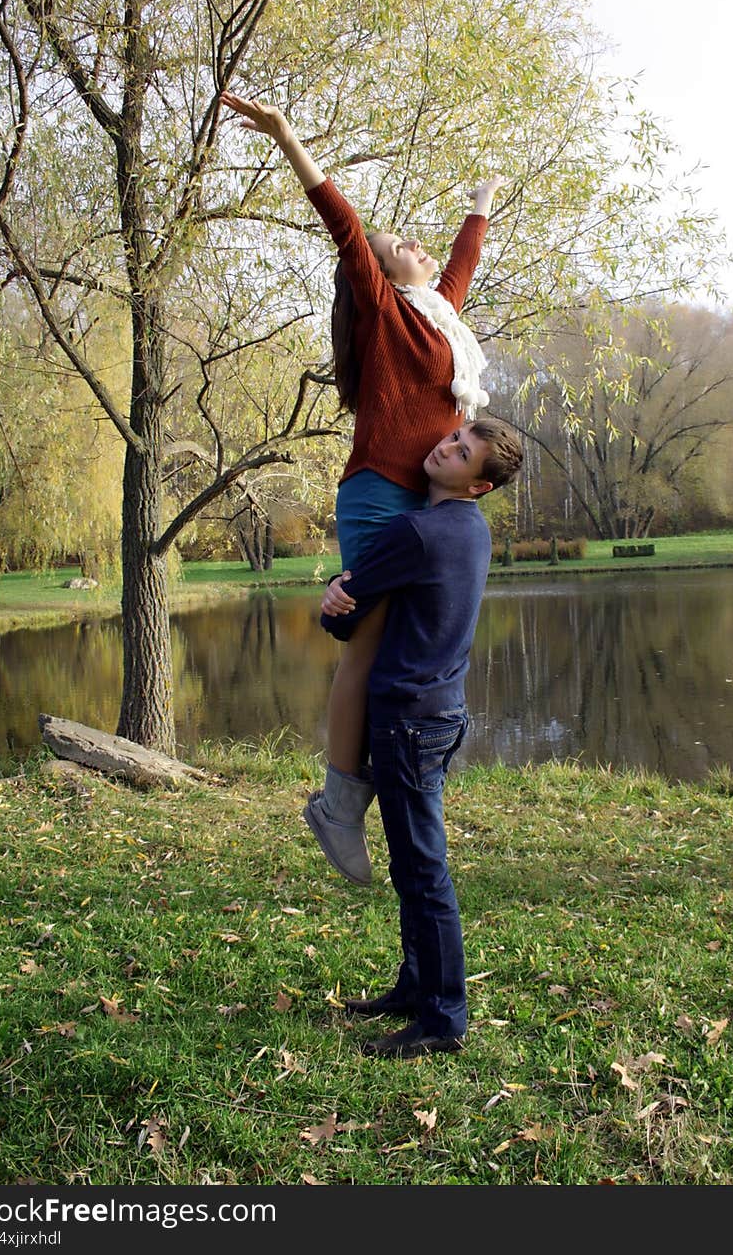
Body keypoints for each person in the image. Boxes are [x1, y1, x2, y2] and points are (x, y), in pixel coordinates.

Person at [219, 90, 504, 888]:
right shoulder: (383, 312)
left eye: (415, 241)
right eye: (399, 245)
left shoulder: (442, 316)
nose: (412, 245)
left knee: (415, 652)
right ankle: (340, 802)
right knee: (369, 648)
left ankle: (392, 785)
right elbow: (342, 221)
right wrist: (286, 138)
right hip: (381, 493)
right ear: (381, 274)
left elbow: (463, 267)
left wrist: (479, 207)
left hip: (431, 502)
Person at [319, 416, 523, 1058]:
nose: (445, 447)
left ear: (478, 484)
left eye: (463, 452)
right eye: (453, 438)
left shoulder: (417, 531)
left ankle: (443, 1018)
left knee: (424, 869)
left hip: (408, 718)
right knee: (414, 866)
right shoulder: (471, 532)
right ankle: (415, 987)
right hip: (440, 714)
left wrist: (332, 598)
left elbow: (344, 620)